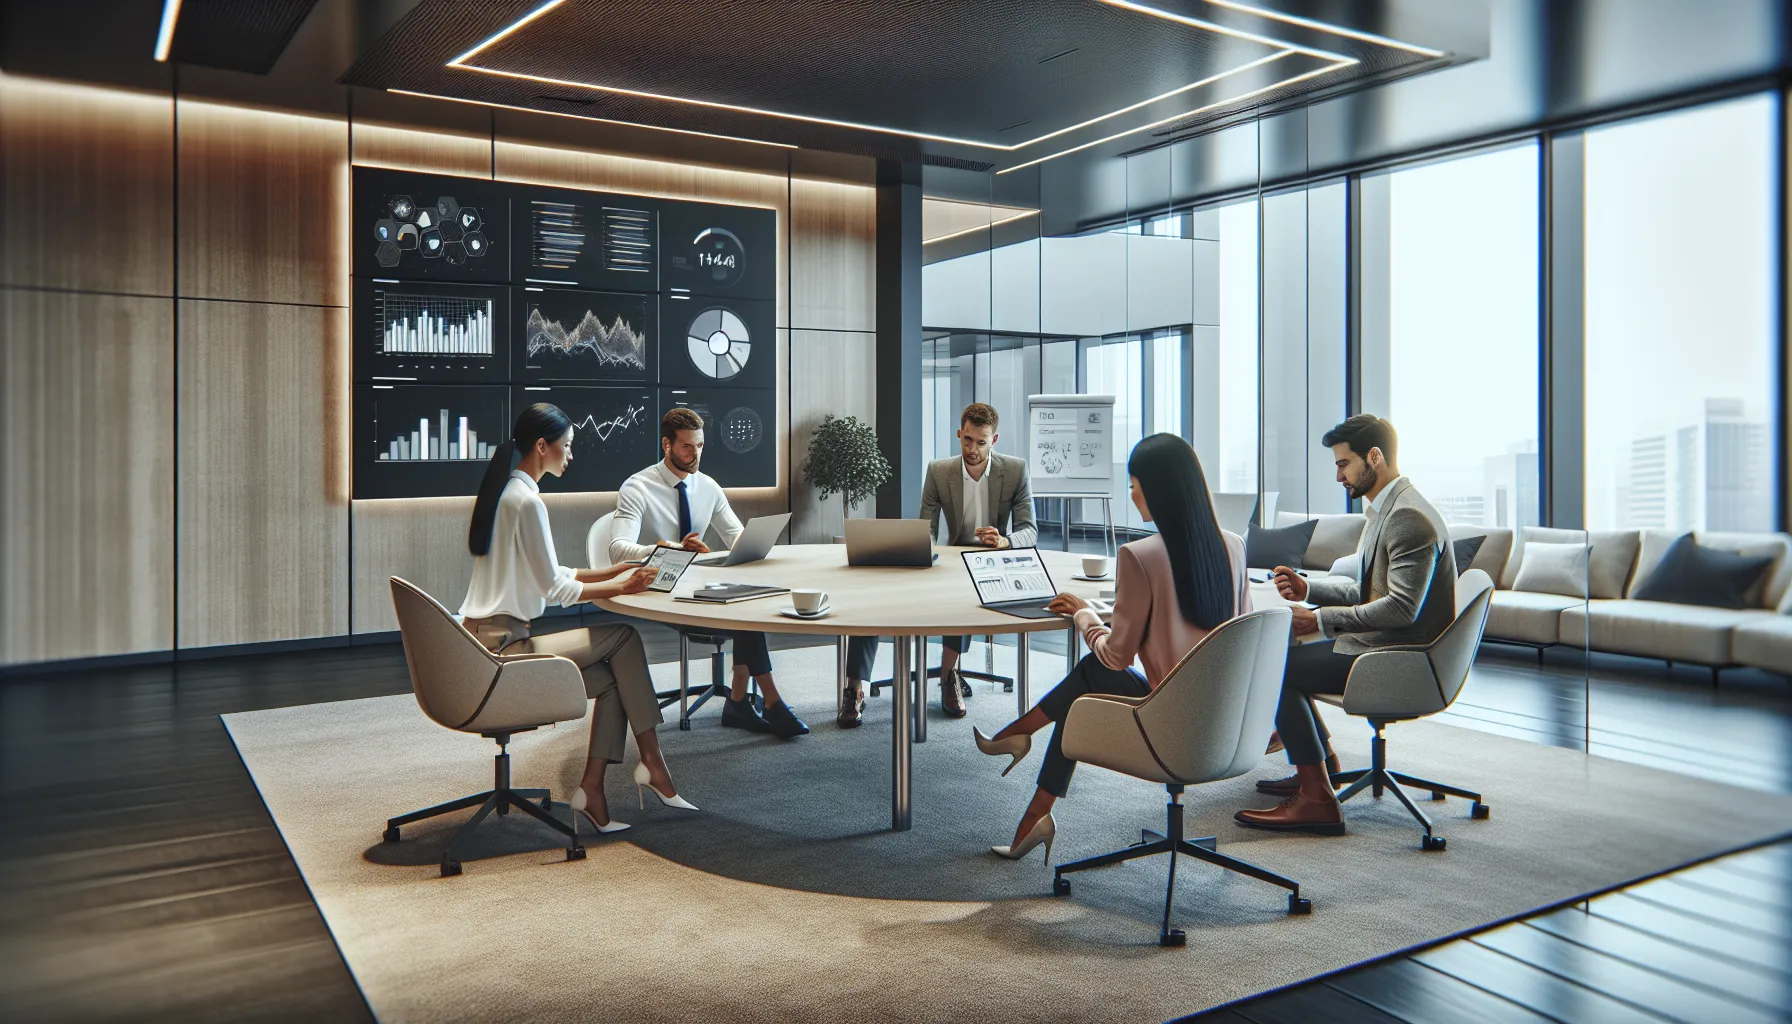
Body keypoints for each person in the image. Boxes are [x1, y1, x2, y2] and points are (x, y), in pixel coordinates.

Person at [972, 434, 1249, 861]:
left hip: (1172, 730)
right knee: (1088, 681)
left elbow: (1117, 657)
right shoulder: (1233, 546)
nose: (1131, 491)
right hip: (1227, 723)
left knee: (1089, 678)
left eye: (1134, 482)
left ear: (1155, 488)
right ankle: (1030, 793)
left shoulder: (1140, 556)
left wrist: (1085, 615)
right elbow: (1242, 635)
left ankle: (1020, 737)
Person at [459, 403, 695, 836]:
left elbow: (554, 572)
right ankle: (653, 765)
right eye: (566, 447)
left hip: (485, 641)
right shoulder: (526, 503)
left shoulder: (509, 494)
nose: (570, 456)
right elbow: (555, 589)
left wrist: (616, 571)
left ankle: (593, 790)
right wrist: (623, 588)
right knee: (623, 638)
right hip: (503, 653)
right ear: (541, 446)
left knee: (614, 682)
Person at [1235, 414, 1456, 836]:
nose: (1339, 475)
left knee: (1274, 668)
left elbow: (1400, 609)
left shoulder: (1408, 518)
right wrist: (1308, 589)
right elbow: (1370, 590)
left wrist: (1318, 620)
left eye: (1343, 464)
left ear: (1374, 457)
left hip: (1402, 658)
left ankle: (1317, 799)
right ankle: (1319, 769)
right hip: (1388, 645)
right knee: (1283, 654)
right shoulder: (1388, 510)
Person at [608, 408, 809, 739]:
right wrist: (665, 549)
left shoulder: (708, 487)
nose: (695, 454)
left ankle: (743, 702)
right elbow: (617, 549)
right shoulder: (638, 487)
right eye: (687, 447)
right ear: (666, 445)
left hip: (701, 584)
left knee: (748, 604)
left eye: (700, 446)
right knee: (743, 612)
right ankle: (763, 702)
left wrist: (752, 544)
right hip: (662, 588)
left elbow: (736, 538)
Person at [839, 402, 1037, 728]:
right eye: (967, 440)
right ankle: (854, 689)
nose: (973, 449)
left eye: (981, 442)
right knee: (870, 596)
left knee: (961, 594)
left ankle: (949, 675)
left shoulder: (1015, 470)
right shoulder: (939, 470)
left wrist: (1004, 540)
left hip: (991, 562)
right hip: (951, 555)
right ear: (960, 434)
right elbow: (926, 527)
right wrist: (923, 550)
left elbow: (1030, 530)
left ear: (995, 439)